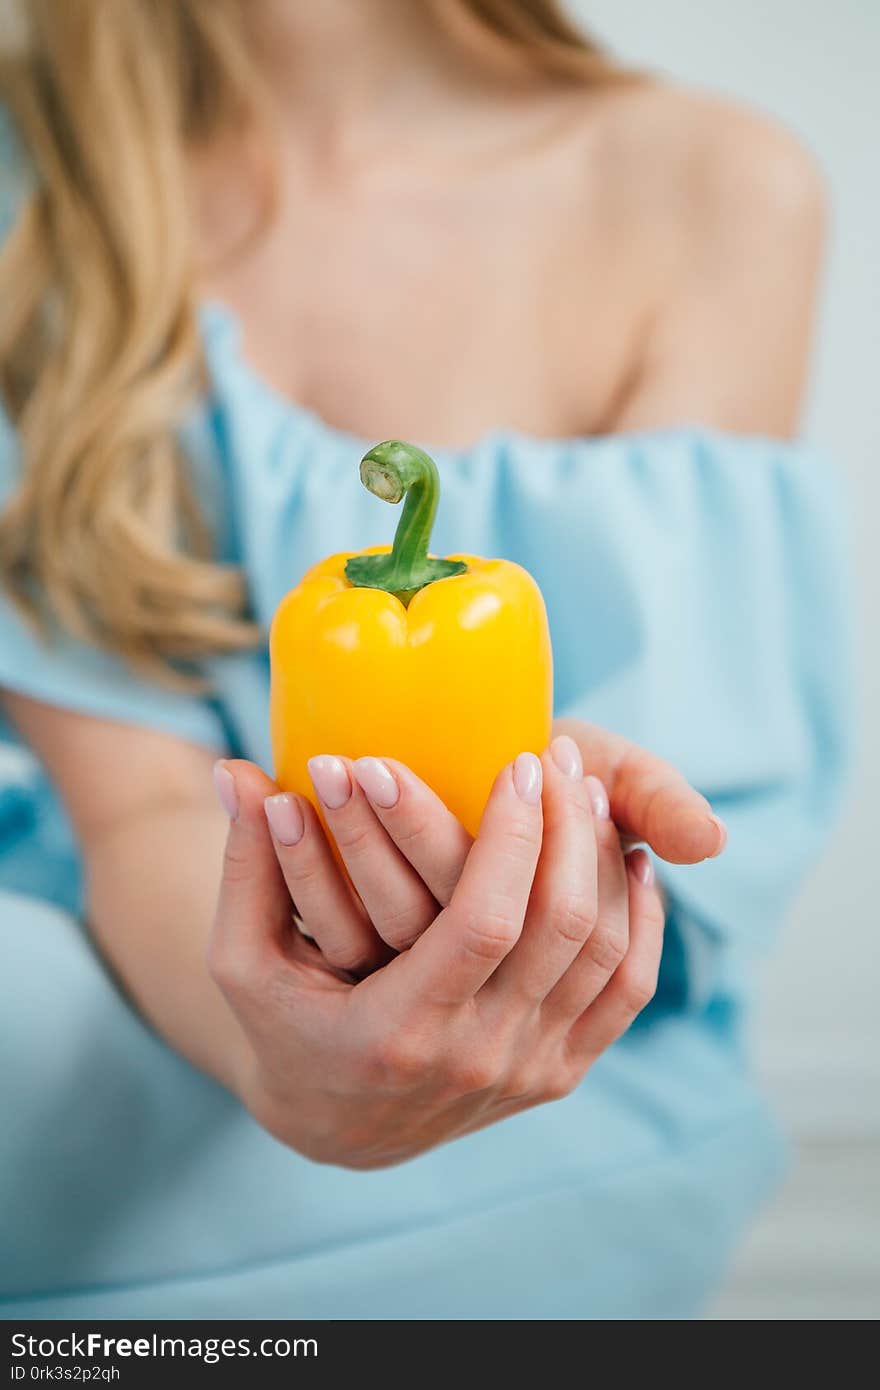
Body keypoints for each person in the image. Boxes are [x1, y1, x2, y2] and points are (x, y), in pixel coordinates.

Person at [0, 1, 850, 1319]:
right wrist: (282, 1054)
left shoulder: (714, 189)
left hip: (546, 1057)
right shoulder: (37, 177)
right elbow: (142, 809)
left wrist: (560, 853)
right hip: (146, 960)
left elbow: (662, 864)